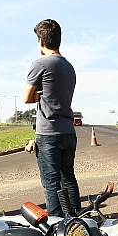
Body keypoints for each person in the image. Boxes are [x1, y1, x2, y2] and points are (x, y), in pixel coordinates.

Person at [22, 19, 80, 216]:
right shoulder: (69, 67)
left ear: (41, 41)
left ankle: (55, 223)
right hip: (68, 131)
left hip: (49, 132)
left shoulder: (40, 64)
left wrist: (37, 93)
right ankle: (76, 220)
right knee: (68, 178)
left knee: (51, 181)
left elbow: (26, 97)